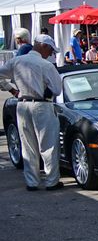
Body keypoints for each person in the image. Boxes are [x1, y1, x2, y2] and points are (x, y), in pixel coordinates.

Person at [0, 34, 64, 190]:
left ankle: (32, 181)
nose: (50, 54)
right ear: (43, 46)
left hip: (22, 104)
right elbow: (56, 89)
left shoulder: (16, 61)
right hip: (42, 105)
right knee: (48, 145)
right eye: (50, 50)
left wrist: (12, 90)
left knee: (28, 144)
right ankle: (51, 181)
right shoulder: (46, 65)